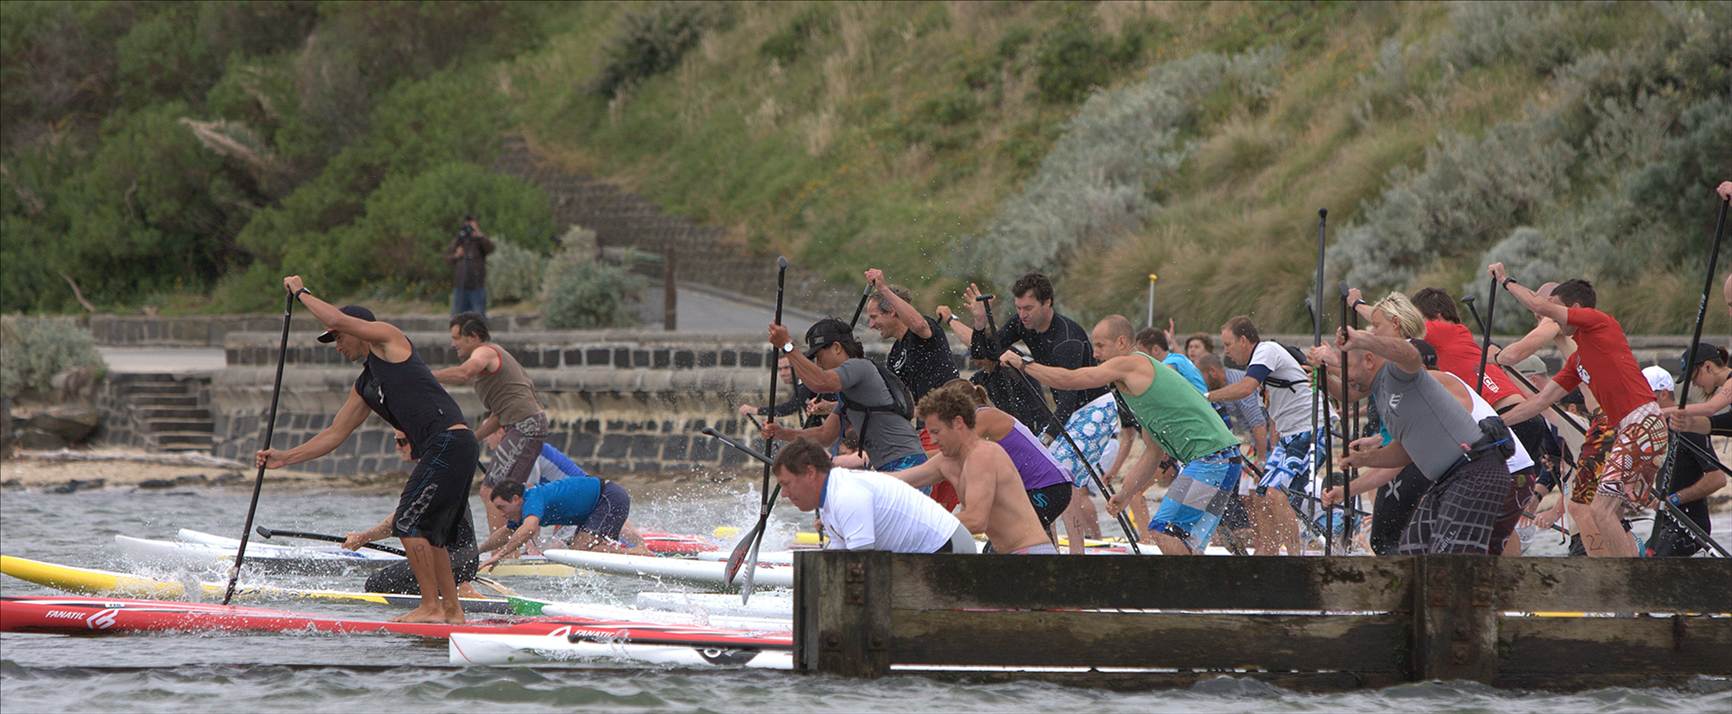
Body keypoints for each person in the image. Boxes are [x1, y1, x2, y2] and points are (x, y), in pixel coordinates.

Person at [256, 277, 475, 624]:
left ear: (362, 331)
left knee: (408, 521)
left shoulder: (389, 340)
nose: (337, 344)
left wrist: (300, 293)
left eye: (339, 337)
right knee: (431, 532)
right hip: (453, 447)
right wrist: (286, 457)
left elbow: (339, 319)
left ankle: (430, 607)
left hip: (449, 440)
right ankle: (452, 611)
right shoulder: (366, 385)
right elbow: (335, 433)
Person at [1001, 322, 1244, 556]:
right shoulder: (1141, 392)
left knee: (1164, 531)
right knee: (1182, 540)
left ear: (1121, 342)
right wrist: (1126, 494)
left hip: (1213, 459)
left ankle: (1185, 595)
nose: (1095, 354)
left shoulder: (1133, 364)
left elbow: (1072, 379)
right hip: (1222, 460)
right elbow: (1152, 452)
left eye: (1099, 345)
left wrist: (1024, 364)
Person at [1488, 267, 1666, 558]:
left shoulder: (1598, 322)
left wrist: (1504, 280)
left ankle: (1631, 581)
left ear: (1574, 309)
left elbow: (1535, 311)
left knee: (1599, 508)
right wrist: (1496, 422)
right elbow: (1538, 402)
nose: (1546, 318)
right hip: (1621, 430)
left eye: (1553, 311)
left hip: (1641, 423)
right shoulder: (1578, 360)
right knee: (1581, 505)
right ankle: (1616, 572)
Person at [1313, 327, 1514, 554]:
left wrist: (1362, 338)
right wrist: (1364, 459)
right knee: (1411, 552)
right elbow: (1405, 451)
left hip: (1475, 472)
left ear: (1369, 360)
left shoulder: (1395, 373)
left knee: (1449, 560)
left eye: (1344, 368)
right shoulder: (1381, 392)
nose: (1344, 375)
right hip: (1447, 480)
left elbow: (1411, 355)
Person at [1405, 287, 1557, 498]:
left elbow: (1400, 327)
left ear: (1437, 317)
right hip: (1522, 421)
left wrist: (1359, 308)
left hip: (1509, 419)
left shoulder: (1445, 332)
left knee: (1483, 499)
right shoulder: (1458, 339)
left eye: (1419, 318)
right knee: (1503, 501)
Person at [1208, 316, 1333, 554]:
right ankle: (1267, 552)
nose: (1226, 352)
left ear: (1244, 340)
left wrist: (1206, 397)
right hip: (1289, 438)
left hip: (1313, 428)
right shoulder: (1259, 367)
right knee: (1260, 496)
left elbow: (1246, 388)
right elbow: (1274, 416)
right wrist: (1271, 455)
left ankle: (1296, 558)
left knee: (1276, 494)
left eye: (1228, 344)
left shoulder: (1266, 350)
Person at [892, 380, 1072, 533]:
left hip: (1049, 487)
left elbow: (945, 456)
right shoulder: (980, 419)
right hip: (1043, 487)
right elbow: (932, 467)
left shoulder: (984, 416)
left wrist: (905, 458)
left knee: (1005, 542)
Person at [432, 313, 549, 535]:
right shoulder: (493, 367)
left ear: (474, 336)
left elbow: (465, 373)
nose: (452, 343)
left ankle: (503, 552)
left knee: (492, 491)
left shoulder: (485, 352)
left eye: (457, 338)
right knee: (512, 494)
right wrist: (470, 439)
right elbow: (497, 416)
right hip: (527, 424)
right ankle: (521, 548)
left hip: (525, 425)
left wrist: (425, 376)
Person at [763, 319, 928, 474]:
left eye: (819, 357)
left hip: (906, 463)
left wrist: (787, 346)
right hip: (891, 466)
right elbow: (824, 435)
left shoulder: (859, 367)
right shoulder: (849, 392)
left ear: (836, 347)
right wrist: (783, 433)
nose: (819, 364)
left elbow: (820, 382)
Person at [964, 273, 1107, 442]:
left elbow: (1068, 398)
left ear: (1047, 302)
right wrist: (980, 323)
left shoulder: (1067, 339)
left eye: (1028, 308)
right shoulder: (1021, 324)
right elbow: (984, 354)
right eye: (1018, 308)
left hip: (1096, 411)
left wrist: (1047, 439)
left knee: (1052, 461)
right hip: (1069, 413)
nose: (1022, 314)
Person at [863, 268, 962, 508]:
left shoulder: (925, 330)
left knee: (927, 506)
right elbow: (893, 402)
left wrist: (882, 288)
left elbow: (916, 323)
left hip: (948, 423)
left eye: (875, 316)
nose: (871, 324)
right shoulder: (895, 355)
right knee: (926, 505)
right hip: (925, 430)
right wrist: (834, 405)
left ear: (893, 312)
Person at [914, 386, 1056, 554]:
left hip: (1050, 489)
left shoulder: (982, 452)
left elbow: (975, 520)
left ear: (958, 422)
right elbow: (905, 476)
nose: (933, 440)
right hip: (1017, 553)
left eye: (936, 432)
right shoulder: (953, 458)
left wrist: (917, 529)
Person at [772, 438, 975, 553]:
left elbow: (861, 564)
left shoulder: (846, 495)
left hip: (949, 547)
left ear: (810, 472)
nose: (783, 494)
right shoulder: (831, 496)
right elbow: (837, 558)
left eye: (786, 484)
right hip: (931, 551)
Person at [358, 430, 483, 598]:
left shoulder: (434, 471)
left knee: (376, 584)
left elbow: (401, 520)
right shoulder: (439, 466)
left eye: (402, 442)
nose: (397, 447)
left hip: (455, 559)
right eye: (396, 441)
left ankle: (459, 588)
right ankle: (458, 585)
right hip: (463, 558)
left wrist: (363, 537)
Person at [1642, 365, 1725, 557]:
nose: (1643, 405)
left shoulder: (1687, 425)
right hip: (1665, 523)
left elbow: (1717, 478)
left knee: (1650, 569)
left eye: (1647, 398)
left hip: (1690, 526)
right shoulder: (1658, 428)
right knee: (1636, 560)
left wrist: (1674, 499)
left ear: (1663, 394)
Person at [478, 476, 643, 570]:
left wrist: (500, 555)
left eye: (502, 507)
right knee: (580, 551)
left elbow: (529, 529)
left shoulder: (532, 498)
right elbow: (506, 532)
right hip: (598, 503)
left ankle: (640, 553)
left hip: (608, 497)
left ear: (515, 499)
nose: (501, 513)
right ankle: (631, 553)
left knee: (581, 550)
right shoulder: (523, 507)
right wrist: (477, 551)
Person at [739, 355, 833, 430]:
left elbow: (790, 407)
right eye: (780, 369)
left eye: (787, 368)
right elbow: (814, 421)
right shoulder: (800, 383)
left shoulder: (807, 380)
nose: (783, 373)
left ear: (797, 366)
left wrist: (755, 410)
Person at [448, 215, 493, 317]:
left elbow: (490, 248)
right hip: (460, 286)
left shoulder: (479, 241)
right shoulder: (459, 240)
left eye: (471, 225)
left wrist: (479, 235)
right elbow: (447, 258)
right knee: (458, 317)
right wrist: (456, 255)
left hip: (477, 286)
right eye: (467, 225)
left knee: (478, 317)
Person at [1137, 327, 1207, 394]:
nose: (1138, 358)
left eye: (1142, 353)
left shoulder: (1171, 363)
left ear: (1155, 349)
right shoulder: (1177, 358)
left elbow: (1161, 376)